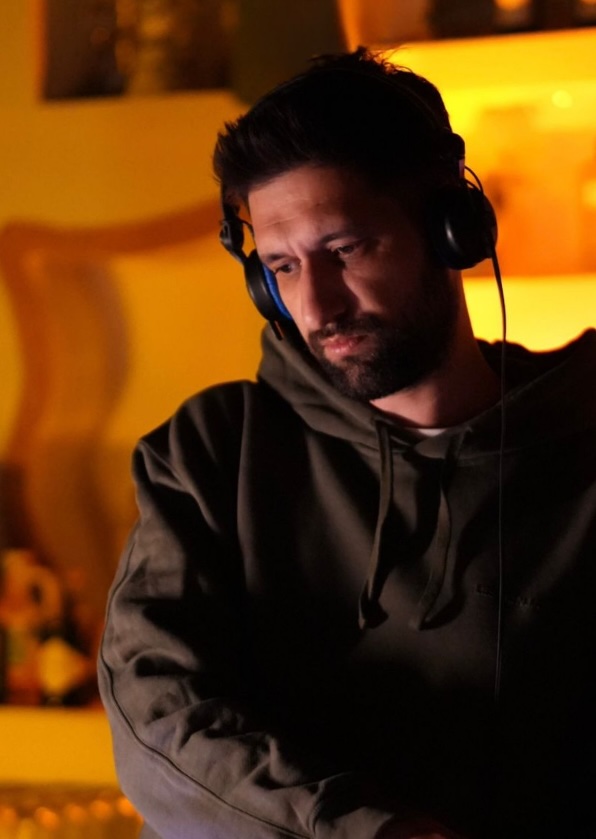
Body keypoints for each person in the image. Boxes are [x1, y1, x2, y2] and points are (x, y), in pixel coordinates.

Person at [98, 48, 596, 839]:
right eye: (282, 266)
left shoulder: (583, 442)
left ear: (451, 230)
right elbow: (155, 708)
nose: (315, 306)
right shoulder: (212, 455)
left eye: (345, 250)